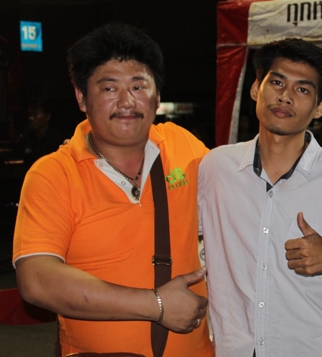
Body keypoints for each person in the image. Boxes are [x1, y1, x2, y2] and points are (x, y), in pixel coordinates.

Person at [13, 24, 214, 356]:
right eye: (109, 88)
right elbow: (37, 280)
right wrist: (155, 305)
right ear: (82, 97)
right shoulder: (54, 173)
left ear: (157, 96)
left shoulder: (183, 145)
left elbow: (244, 197)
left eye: (139, 86)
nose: (126, 101)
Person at [198, 39, 322, 356]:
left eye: (303, 89)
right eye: (277, 82)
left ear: (319, 107)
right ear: (256, 88)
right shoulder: (216, 167)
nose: (285, 96)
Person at [22, 98, 66, 167]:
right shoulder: (27, 137)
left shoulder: (57, 139)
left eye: (35, 114)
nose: (31, 118)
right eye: (30, 115)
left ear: (48, 116)